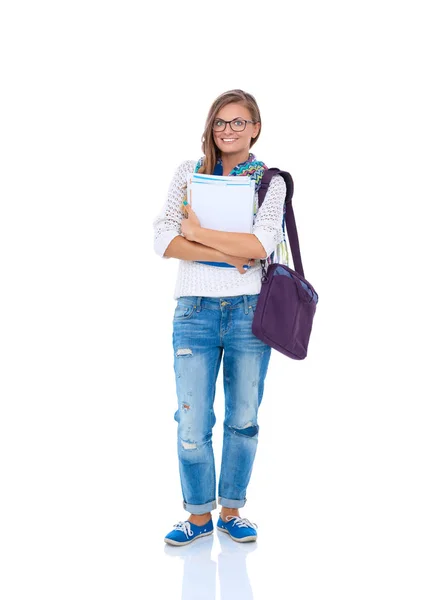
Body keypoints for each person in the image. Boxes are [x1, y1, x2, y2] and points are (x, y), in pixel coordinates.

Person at [153, 89, 288, 546]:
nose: (228, 130)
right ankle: (197, 517)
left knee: (243, 417)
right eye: (220, 122)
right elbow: (163, 241)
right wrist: (228, 251)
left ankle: (231, 510)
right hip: (194, 310)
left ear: (255, 128)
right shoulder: (187, 174)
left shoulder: (271, 182)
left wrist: (196, 232)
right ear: (211, 127)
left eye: (238, 122)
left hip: (251, 311)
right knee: (191, 422)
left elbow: (260, 245)